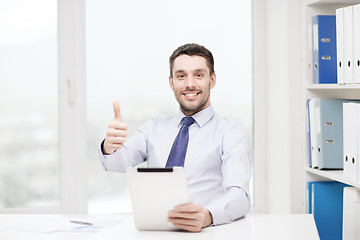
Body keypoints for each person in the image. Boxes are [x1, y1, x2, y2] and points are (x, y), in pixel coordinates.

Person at [98, 43, 251, 232]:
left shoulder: (231, 131)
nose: (189, 84)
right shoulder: (154, 128)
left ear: (212, 80)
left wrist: (208, 215)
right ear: (172, 82)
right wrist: (110, 146)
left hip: (206, 233)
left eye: (198, 75)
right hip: (155, 232)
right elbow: (117, 164)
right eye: (181, 76)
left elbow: (240, 195)